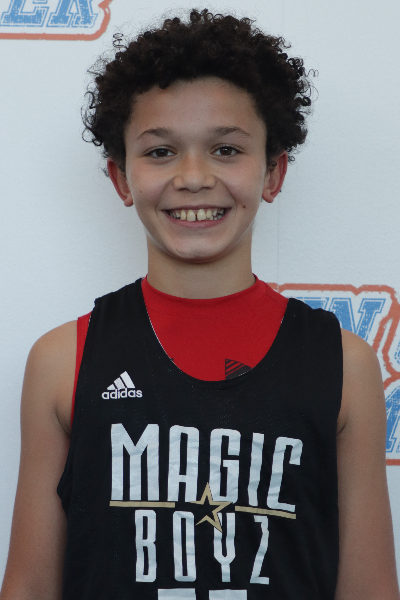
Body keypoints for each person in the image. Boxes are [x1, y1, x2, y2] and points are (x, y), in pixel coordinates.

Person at [0, 9, 399, 600]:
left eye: (226, 149)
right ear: (121, 177)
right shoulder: (64, 361)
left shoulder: (345, 365)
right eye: (161, 152)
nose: (193, 177)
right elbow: (29, 587)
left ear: (273, 172)